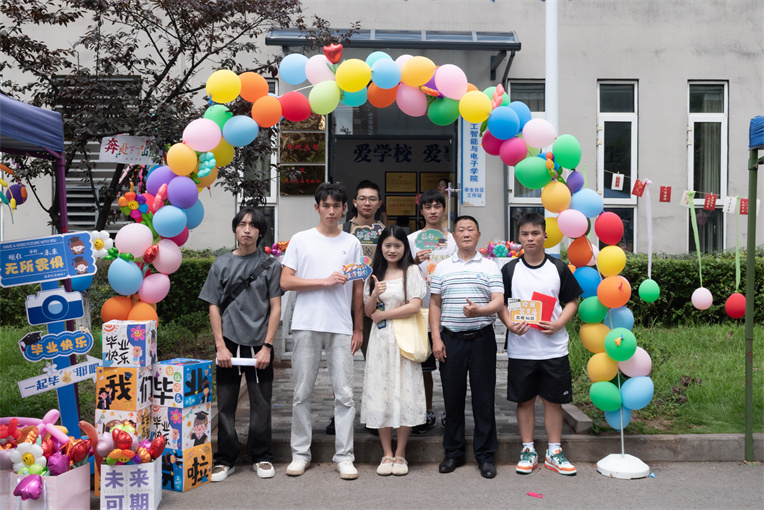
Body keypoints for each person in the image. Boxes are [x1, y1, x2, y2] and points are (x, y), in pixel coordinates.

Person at [280, 182, 364, 481]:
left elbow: (357, 288)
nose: (331, 211)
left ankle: (345, 457)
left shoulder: (351, 243)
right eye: (326, 205)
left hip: (340, 327)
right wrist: (323, 281)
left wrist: (358, 327)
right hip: (307, 324)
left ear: (344, 209)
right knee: (302, 393)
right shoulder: (301, 240)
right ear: (316, 207)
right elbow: (286, 281)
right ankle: (300, 454)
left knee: (345, 395)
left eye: (336, 206)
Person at [199, 207, 282, 482]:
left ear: (260, 232)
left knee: (261, 404)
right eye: (242, 224)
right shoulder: (221, 264)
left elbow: (275, 307)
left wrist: (267, 346)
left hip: (259, 344)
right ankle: (225, 459)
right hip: (229, 343)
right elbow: (213, 305)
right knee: (225, 404)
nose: (247, 229)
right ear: (235, 229)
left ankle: (261, 455)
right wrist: (220, 346)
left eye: (253, 225)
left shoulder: (271, 265)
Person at [498, 212, 583, 476]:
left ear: (545, 235)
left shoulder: (558, 268)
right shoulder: (510, 269)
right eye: (524, 234)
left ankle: (554, 452)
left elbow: (572, 302)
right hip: (521, 349)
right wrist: (510, 324)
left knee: (553, 401)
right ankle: (528, 449)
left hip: (553, 348)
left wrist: (558, 324)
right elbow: (500, 303)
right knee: (524, 401)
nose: (530, 238)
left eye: (535, 233)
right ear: (518, 237)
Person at [429, 216, 504, 479]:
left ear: (478, 234)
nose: (466, 233)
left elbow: (498, 301)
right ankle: (453, 452)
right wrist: (436, 339)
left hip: (482, 339)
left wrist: (480, 311)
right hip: (450, 340)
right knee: (453, 399)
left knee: (484, 399)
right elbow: (434, 303)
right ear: (454, 236)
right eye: (460, 230)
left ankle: (485, 456)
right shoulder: (442, 267)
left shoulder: (490, 266)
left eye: (470, 229)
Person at [361, 225, 427, 476]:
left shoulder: (412, 271)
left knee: (404, 390)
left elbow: (414, 306)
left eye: (397, 245)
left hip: (404, 340)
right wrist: (374, 295)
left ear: (404, 248)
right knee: (381, 390)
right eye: (387, 245)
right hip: (380, 342)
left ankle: (401, 453)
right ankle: (386, 453)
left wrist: (384, 315)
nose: (392, 250)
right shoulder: (374, 274)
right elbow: (368, 311)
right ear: (381, 247)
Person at [407, 189, 457, 434]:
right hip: (419, 314)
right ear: (422, 211)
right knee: (422, 368)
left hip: (449, 314)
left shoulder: (454, 240)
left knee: (451, 368)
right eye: (428, 207)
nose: (433, 211)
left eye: (437, 206)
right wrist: (413, 262)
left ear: (444, 209)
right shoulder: (411, 239)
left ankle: (451, 412)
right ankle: (425, 410)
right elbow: (400, 269)